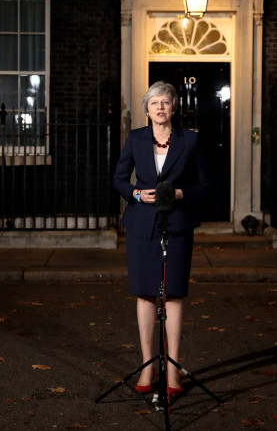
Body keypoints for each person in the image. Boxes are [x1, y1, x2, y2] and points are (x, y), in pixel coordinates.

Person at [112, 80, 210, 398]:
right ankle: (146, 366)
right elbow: (119, 178)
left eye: (165, 102)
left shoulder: (190, 141)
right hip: (142, 227)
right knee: (145, 294)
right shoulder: (136, 139)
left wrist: (181, 193)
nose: (160, 107)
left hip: (178, 226)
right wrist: (137, 194)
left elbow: (205, 185)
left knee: (173, 295)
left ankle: (173, 369)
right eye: (154, 102)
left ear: (173, 107)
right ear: (146, 109)